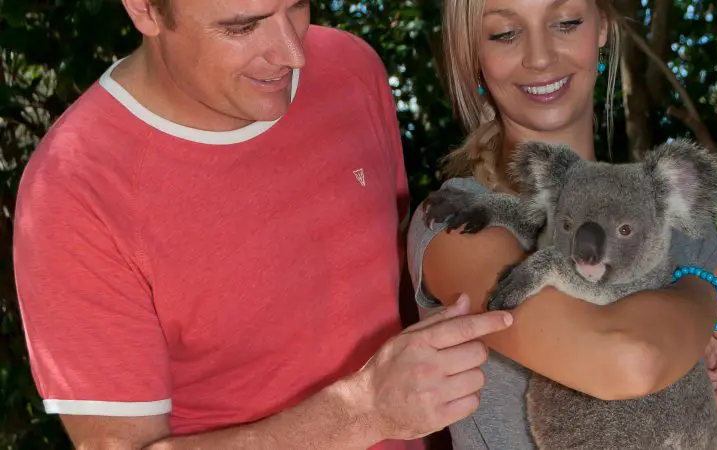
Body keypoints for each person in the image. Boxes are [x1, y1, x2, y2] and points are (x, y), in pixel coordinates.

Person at [12, 0, 515, 448]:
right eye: (243, 26)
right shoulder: (75, 191)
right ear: (144, 10)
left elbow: (399, 290)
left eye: (297, 6)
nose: (293, 54)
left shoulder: (350, 68)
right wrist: (363, 414)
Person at [407, 0, 717, 449]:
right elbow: (627, 360)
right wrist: (707, 298)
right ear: (472, 52)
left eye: (566, 22)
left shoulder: (679, 224)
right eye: (504, 34)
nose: (541, 57)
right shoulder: (457, 219)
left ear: (603, 27)